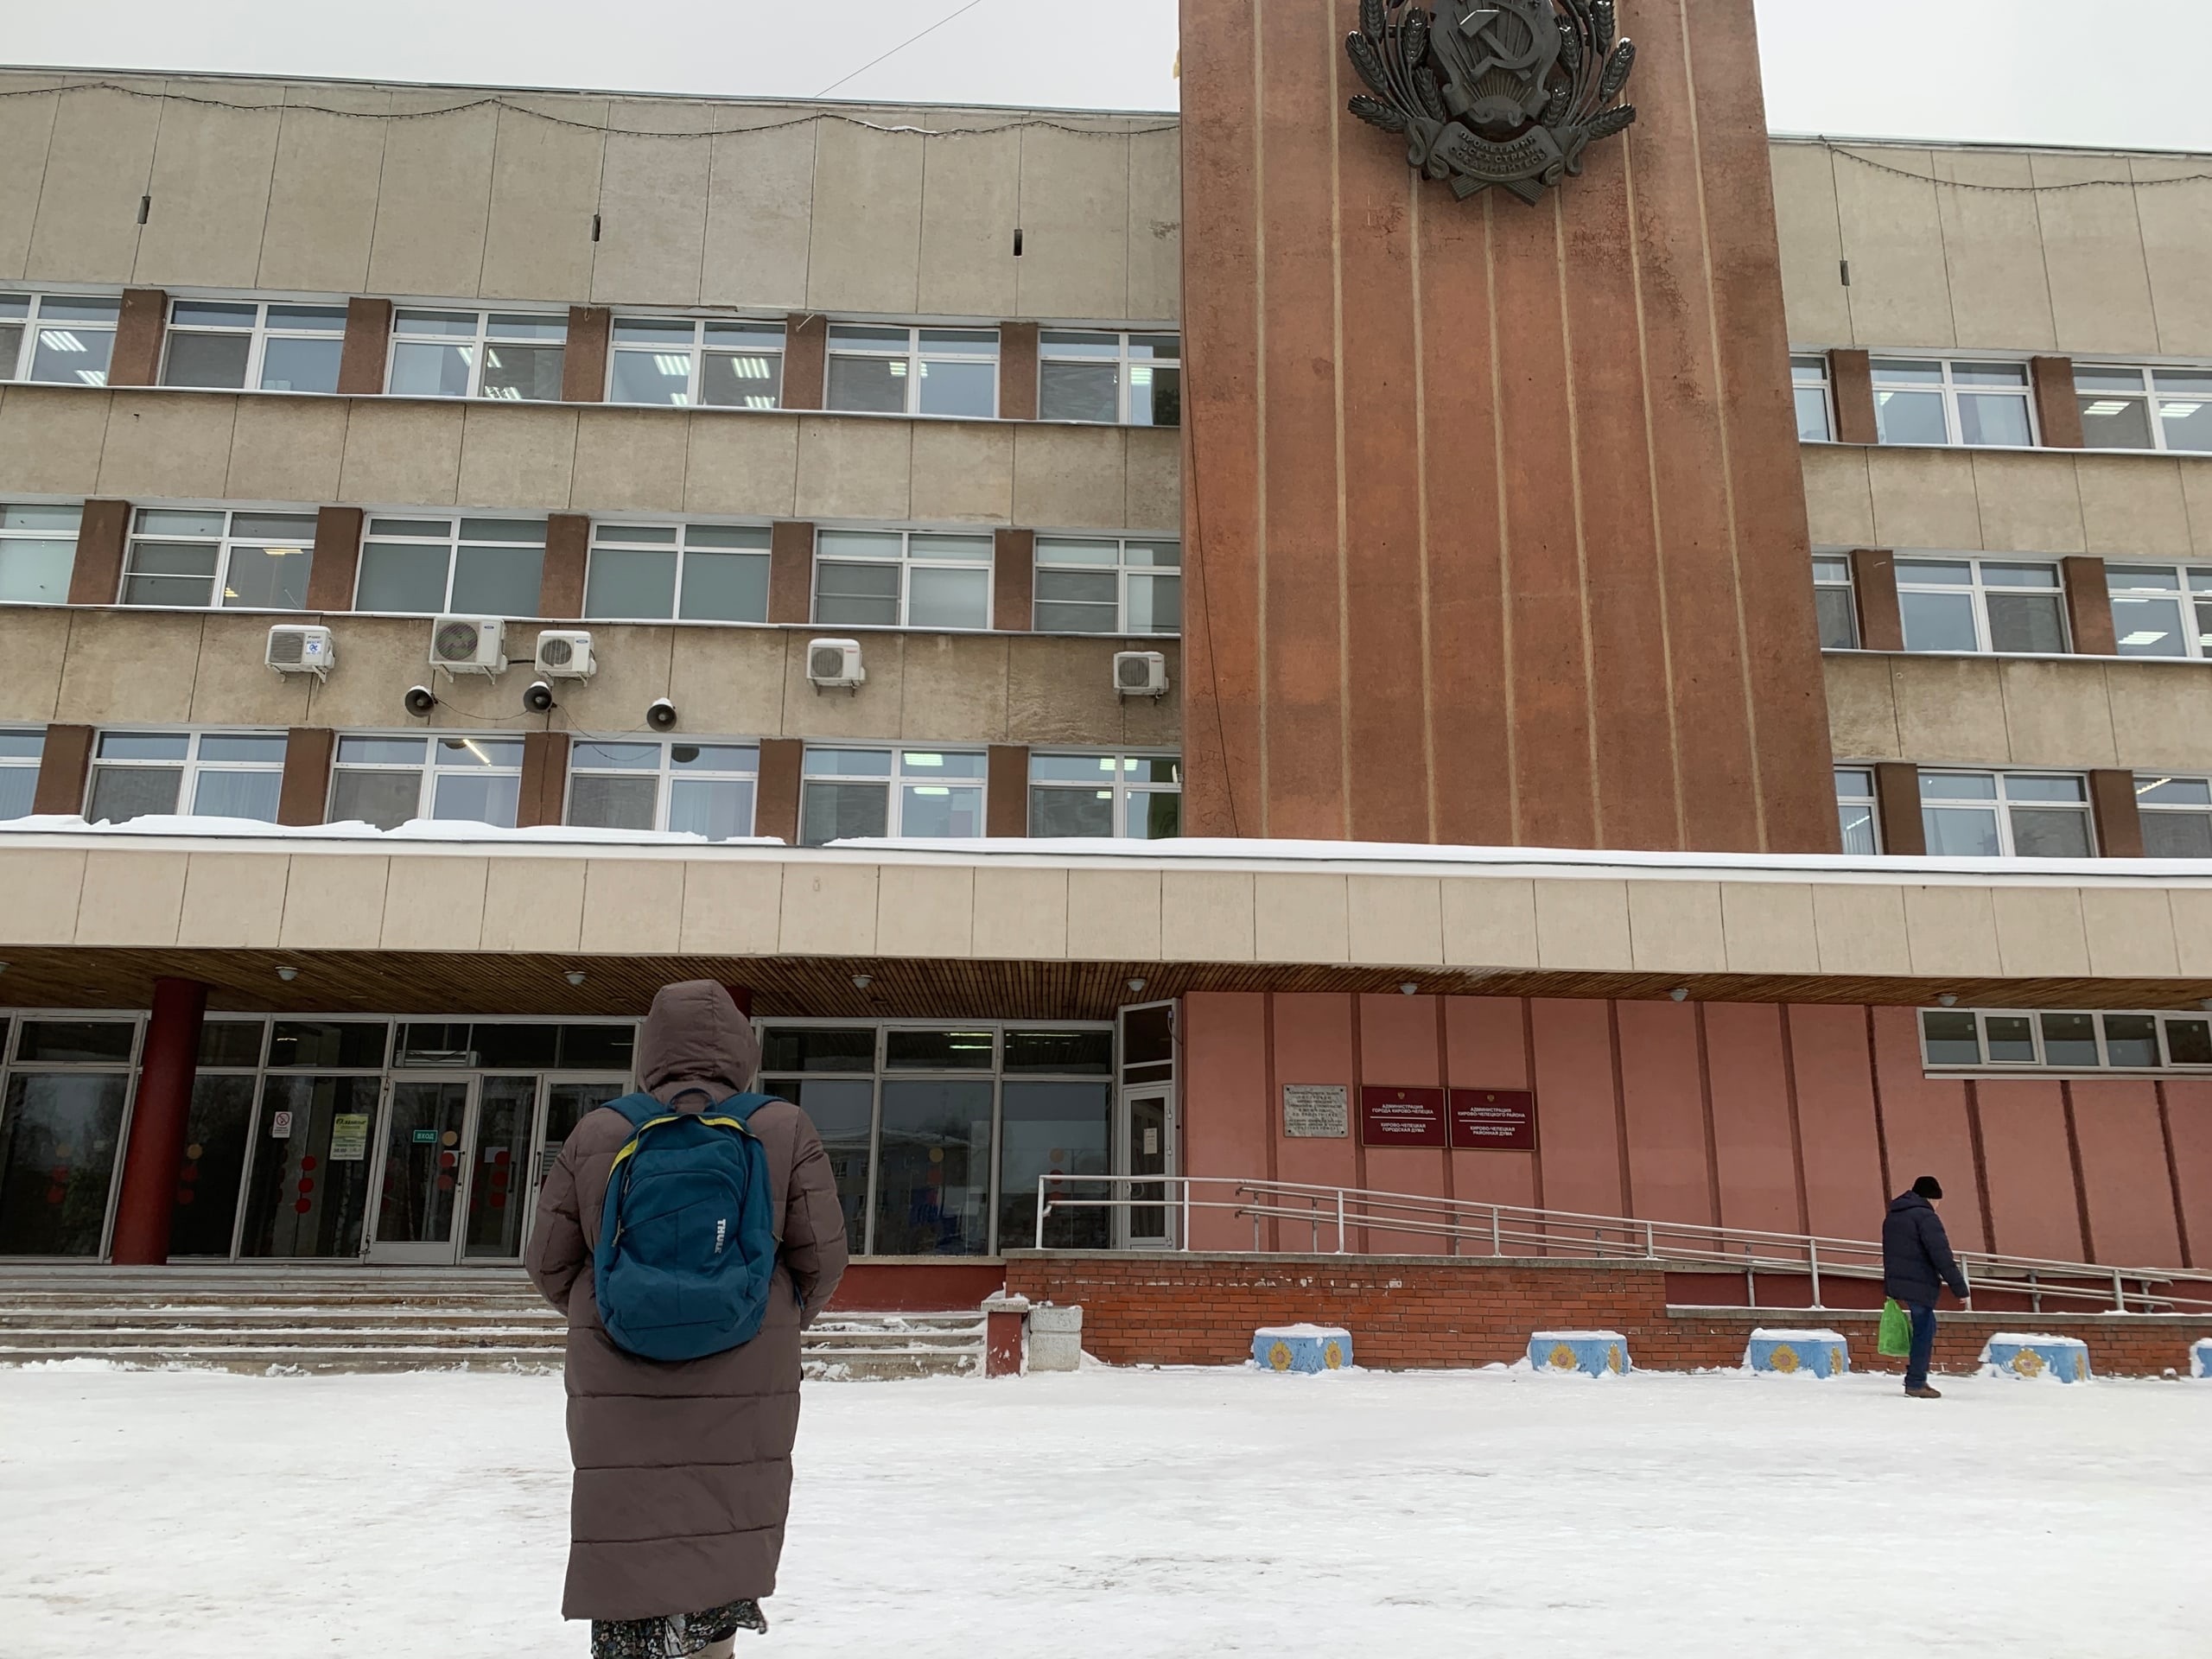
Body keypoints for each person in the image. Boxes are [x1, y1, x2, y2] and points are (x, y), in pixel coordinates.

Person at [527, 981, 849, 1656]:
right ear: (742, 1049)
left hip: (621, 1390)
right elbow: (823, 1255)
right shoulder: (782, 1126)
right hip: (745, 1380)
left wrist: (612, 1311)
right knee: (718, 1549)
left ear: (651, 1050)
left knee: (631, 1548)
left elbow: (547, 1262)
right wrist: (775, 1316)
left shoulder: (603, 1130)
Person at [1882, 1174, 1971, 1400]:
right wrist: (1960, 1288)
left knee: (1924, 1328)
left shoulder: (1894, 1215)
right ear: (1932, 1198)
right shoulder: (1925, 1217)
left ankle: (1916, 1378)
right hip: (1920, 1284)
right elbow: (1941, 1256)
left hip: (1898, 1282)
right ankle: (1916, 1382)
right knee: (1924, 1331)